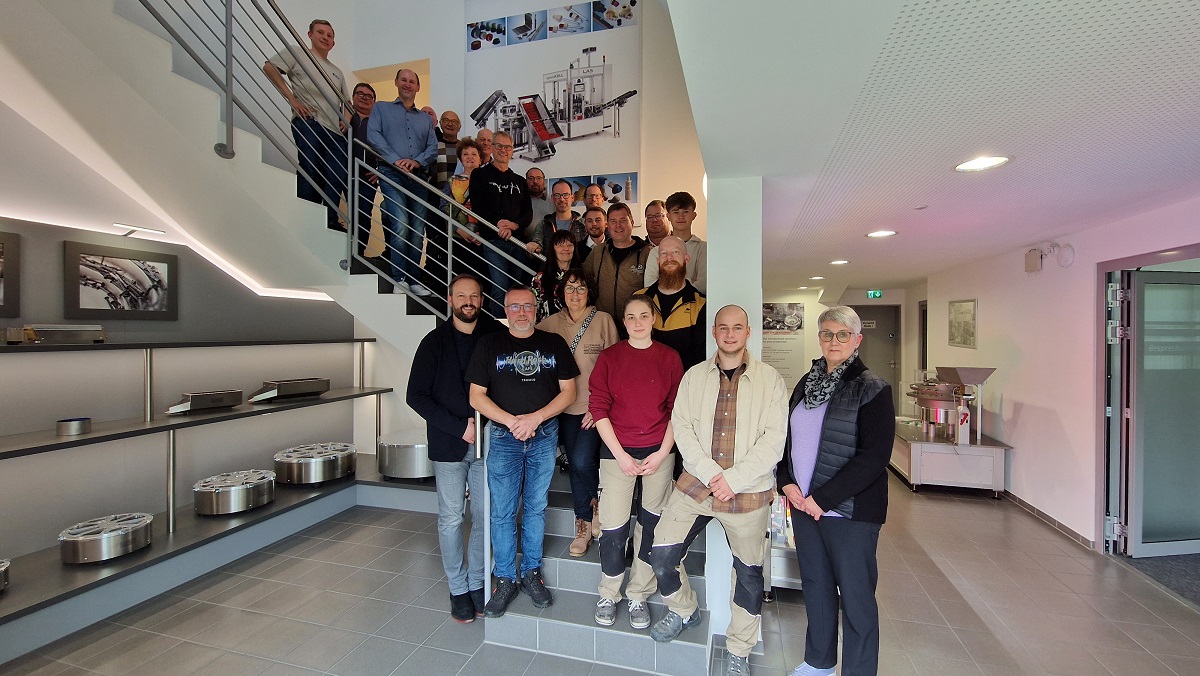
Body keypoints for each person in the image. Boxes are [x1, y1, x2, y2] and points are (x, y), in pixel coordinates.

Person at [648, 305, 788, 676]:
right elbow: (683, 429)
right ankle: (684, 609)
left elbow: (774, 442)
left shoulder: (771, 380)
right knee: (660, 556)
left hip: (749, 493)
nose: (730, 334)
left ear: (748, 333)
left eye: (737, 327)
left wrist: (735, 479)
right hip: (697, 485)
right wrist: (714, 476)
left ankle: (739, 648)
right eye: (723, 328)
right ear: (714, 332)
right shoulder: (695, 377)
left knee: (748, 575)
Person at [776, 306, 895, 676]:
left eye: (843, 334)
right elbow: (786, 439)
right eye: (827, 333)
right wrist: (786, 481)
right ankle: (819, 663)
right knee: (816, 586)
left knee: (856, 598)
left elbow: (874, 457)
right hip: (803, 506)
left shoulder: (873, 388)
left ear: (857, 340)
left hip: (850, 512)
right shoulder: (806, 383)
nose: (834, 341)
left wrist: (821, 500)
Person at [467, 287, 579, 616]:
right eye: (514, 306)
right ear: (505, 309)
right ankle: (504, 578)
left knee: (535, 507)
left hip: (543, 435)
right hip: (503, 437)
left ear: (536, 310)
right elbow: (476, 396)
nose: (521, 312)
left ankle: (530, 572)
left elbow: (569, 392)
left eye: (527, 306)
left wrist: (534, 419)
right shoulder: (489, 344)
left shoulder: (553, 344)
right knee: (502, 511)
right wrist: (514, 423)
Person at [405, 273, 504, 623]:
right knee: (451, 519)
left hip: (488, 443)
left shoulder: (494, 337)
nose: (468, 302)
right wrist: (460, 426)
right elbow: (415, 396)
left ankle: (478, 583)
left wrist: (490, 424)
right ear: (450, 300)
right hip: (449, 444)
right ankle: (458, 588)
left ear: (481, 300)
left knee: (483, 516)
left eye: (473, 296)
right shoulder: (433, 342)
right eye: (461, 296)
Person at [589, 295, 683, 630]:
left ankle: (639, 593)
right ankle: (609, 593)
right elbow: (598, 408)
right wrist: (620, 455)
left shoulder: (669, 358)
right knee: (614, 527)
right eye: (631, 317)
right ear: (624, 322)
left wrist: (660, 453)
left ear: (653, 319)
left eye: (644, 315)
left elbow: (677, 411)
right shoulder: (609, 358)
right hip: (617, 452)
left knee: (651, 524)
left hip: (660, 451)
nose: (638, 322)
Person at [537, 270, 619, 556]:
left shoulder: (603, 321)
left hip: (593, 408)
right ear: (561, 293)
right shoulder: (549, 325)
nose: (575, 294)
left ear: (590, 292)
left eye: (581, 288)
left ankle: (598, 505)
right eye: (570, 288)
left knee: (583, 461)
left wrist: (600, 406)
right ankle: (583, 524)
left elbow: (616, 367)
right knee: (574, 463)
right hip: (562, 408)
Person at [263, 19, 349, 231]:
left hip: (335, 132)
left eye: (329, 35)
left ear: (333, 43)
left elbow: (347, 101)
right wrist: (293, 100)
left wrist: (345, 120)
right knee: (310, 169)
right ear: (310, 35)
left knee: (336, 176)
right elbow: (269, 67)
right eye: (321, 32)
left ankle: (329, 221)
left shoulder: (336, 70)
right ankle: (307, 219)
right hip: (310, 122)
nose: (325, 37)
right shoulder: (298, 53)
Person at [367, 68, 438, 296]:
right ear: (396, 82)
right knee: (399, 222)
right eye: (404, 80)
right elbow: (374, 136)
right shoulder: (381, 109)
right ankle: (399, 278)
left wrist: (415, 162)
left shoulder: (425, 119)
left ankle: (414, 280)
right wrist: (396, 160)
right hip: (391, 173)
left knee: (417, 230)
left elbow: (432, 148)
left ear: (418, 87)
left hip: (418, 178)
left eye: (412, 81)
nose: (407, 84)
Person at [468, 130, 533, 316]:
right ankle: (498, 335)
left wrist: (514, 226)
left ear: (512, 151)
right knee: (500, 288)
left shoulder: (520, 181)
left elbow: (528, 213)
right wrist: (499, 225)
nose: (503, 150)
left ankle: (515, 332)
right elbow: (478, 208)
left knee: (517, 291)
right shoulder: (479, 175)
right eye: (499, 146)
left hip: (518, 243)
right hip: (493, 242)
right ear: (492, 148)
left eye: (507, 147)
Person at [634, 236, 707, 369]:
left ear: (687, 258)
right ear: (657, 261)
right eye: (663, 253)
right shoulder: (638, 300)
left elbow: (700, 361)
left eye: (675, 252)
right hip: (644, 384)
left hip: (683, 386)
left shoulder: (700, 305)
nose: (669, 258)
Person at [582, 202, 651, 331]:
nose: (618, 225)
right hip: (603, 326)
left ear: (632, 222)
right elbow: (583, 279)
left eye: (623, 220)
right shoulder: (598, 252)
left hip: (636, 328)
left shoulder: (647, 253)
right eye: (613, 221)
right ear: (608, 225)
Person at [440, 138, 489, 298]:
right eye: (465, 154)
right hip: (459, 237)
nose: (470, 157)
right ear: (460, 158)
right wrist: (458, 229)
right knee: (461, 279)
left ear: (481, 158)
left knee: (483, 281)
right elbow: (444, 208)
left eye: (474, 154)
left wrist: (484, 233)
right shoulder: (452, 181)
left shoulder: (489, 181)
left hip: (484, 239)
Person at [426, 110, 463, 298]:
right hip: (435, 202)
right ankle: (436, 285)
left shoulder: (463, 148)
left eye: (454, 121)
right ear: (440, 123)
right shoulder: (433, 146)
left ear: (460, 126)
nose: (450, 124)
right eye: (446, 121)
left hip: (460, 206)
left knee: (455, 248)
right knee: (436, 243)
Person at [644, 191, 708, 293]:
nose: (681, 216)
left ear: (694, 215)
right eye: (676, 212)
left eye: (686, 211)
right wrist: (689, 282)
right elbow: (649, 285)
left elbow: (704, 285)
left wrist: (666, 284)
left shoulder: (703, 248)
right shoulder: (656, 251)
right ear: (668, 216)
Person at [347, 82, 379, 273]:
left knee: (363, 214)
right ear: (353, 97)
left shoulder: (377, 123)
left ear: (374, 102)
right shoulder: (345, 118)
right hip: (343, 170)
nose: (364, 98)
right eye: (360, 94)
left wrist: (379, 170)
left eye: (369, 96)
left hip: (368, 176)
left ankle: (358, 253)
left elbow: (386, 148)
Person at [529, 179, 588, 260]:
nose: (562, 199)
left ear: (572, 197)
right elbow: (536, 244)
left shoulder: (583, 224)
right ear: (552, 198)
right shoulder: (544, 224)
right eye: (557, 195)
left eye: (565, 195)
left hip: (577, 271)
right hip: (550, 271)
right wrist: (533, 247)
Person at [531, 230, 579, 321]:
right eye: (560, 245)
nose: (566, 249)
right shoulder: (539, 279)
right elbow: (535, 310)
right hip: (548, 329)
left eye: (570, 245)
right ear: (553, 249)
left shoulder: (582, 276)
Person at [525, 167, 555, 236]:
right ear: (526, 181)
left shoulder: (553, 204)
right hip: (524, 244)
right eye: (531, 178)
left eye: (539, 178)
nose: (535, 181)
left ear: (544, 181)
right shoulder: (519, 203)